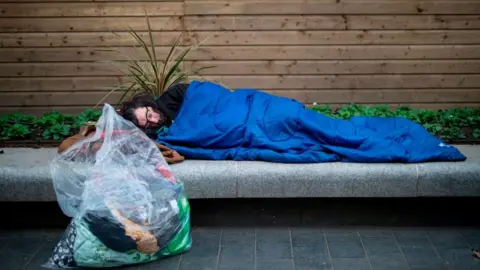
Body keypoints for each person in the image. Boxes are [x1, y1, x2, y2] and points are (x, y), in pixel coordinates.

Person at [119, 80, 466, 163]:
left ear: (148, 103)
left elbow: (213, 95)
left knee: (328, 129)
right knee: (325, 136)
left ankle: (401, 141)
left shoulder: (177, 96)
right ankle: (400, 140)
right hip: (262, 123)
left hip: (268, 111)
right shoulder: (169, 130)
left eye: (147, 111)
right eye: (146, 121)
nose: (152, 118)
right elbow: (186, 140)